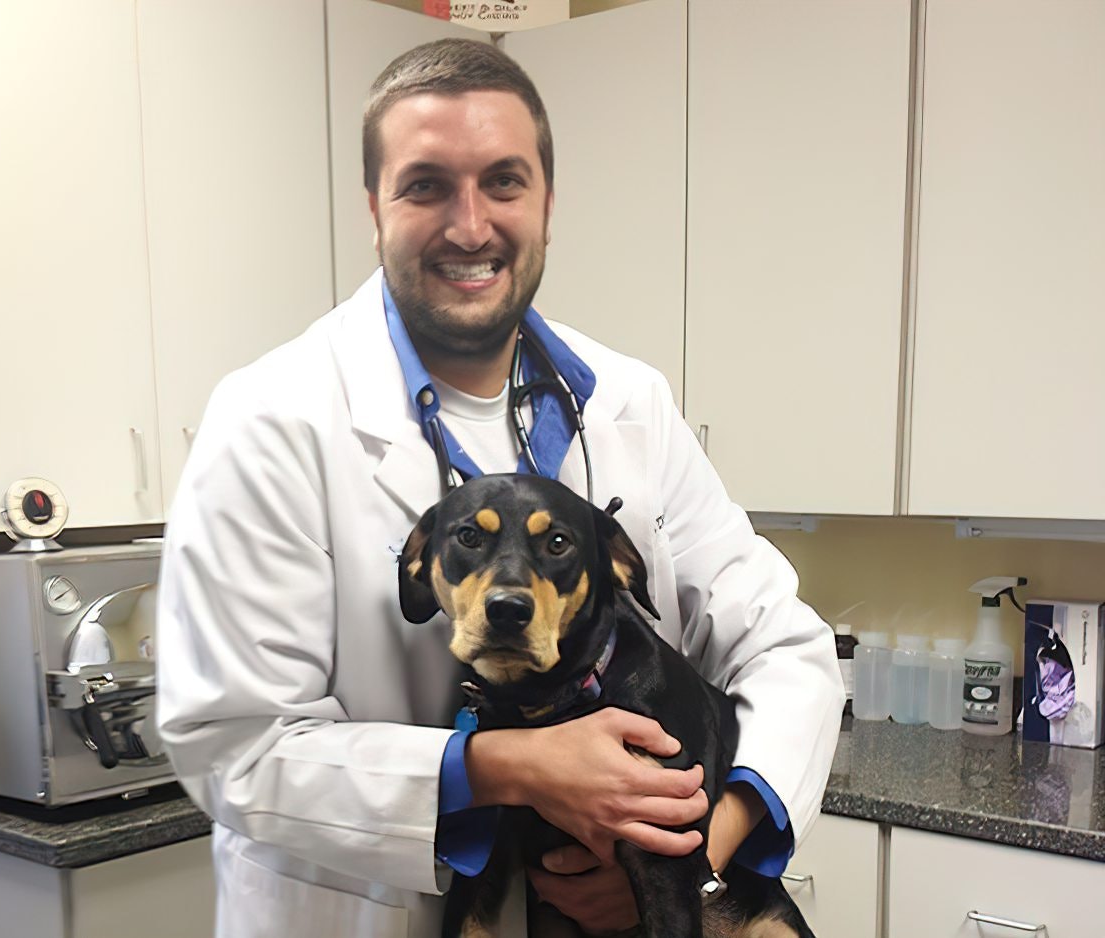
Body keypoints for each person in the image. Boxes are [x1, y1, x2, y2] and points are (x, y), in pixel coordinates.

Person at [157, 38, 843, 938]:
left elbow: (786, 649)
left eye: (504, 182)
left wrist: (690, 852)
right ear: (374, 207)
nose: (471, 225)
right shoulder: (270, 420)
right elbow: (235, 747)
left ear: (547, 205)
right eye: (426, 185)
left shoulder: (630, 401)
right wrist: (513, 768)